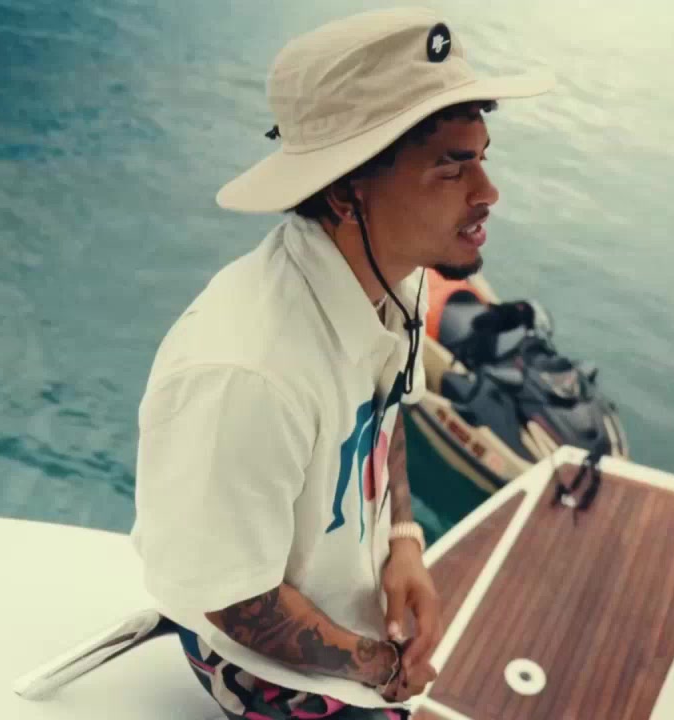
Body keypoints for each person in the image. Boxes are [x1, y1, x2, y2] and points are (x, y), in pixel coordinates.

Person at [128, 7, 554, 720]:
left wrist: (405, 542)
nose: (487, 192)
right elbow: (236, 601)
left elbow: (387, 411)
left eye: (483, 157)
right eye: (451, 166)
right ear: (344, 191)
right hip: (259, 668)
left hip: (344, 622)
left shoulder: (397, 279)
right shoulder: (249, 372)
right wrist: (380, 667)